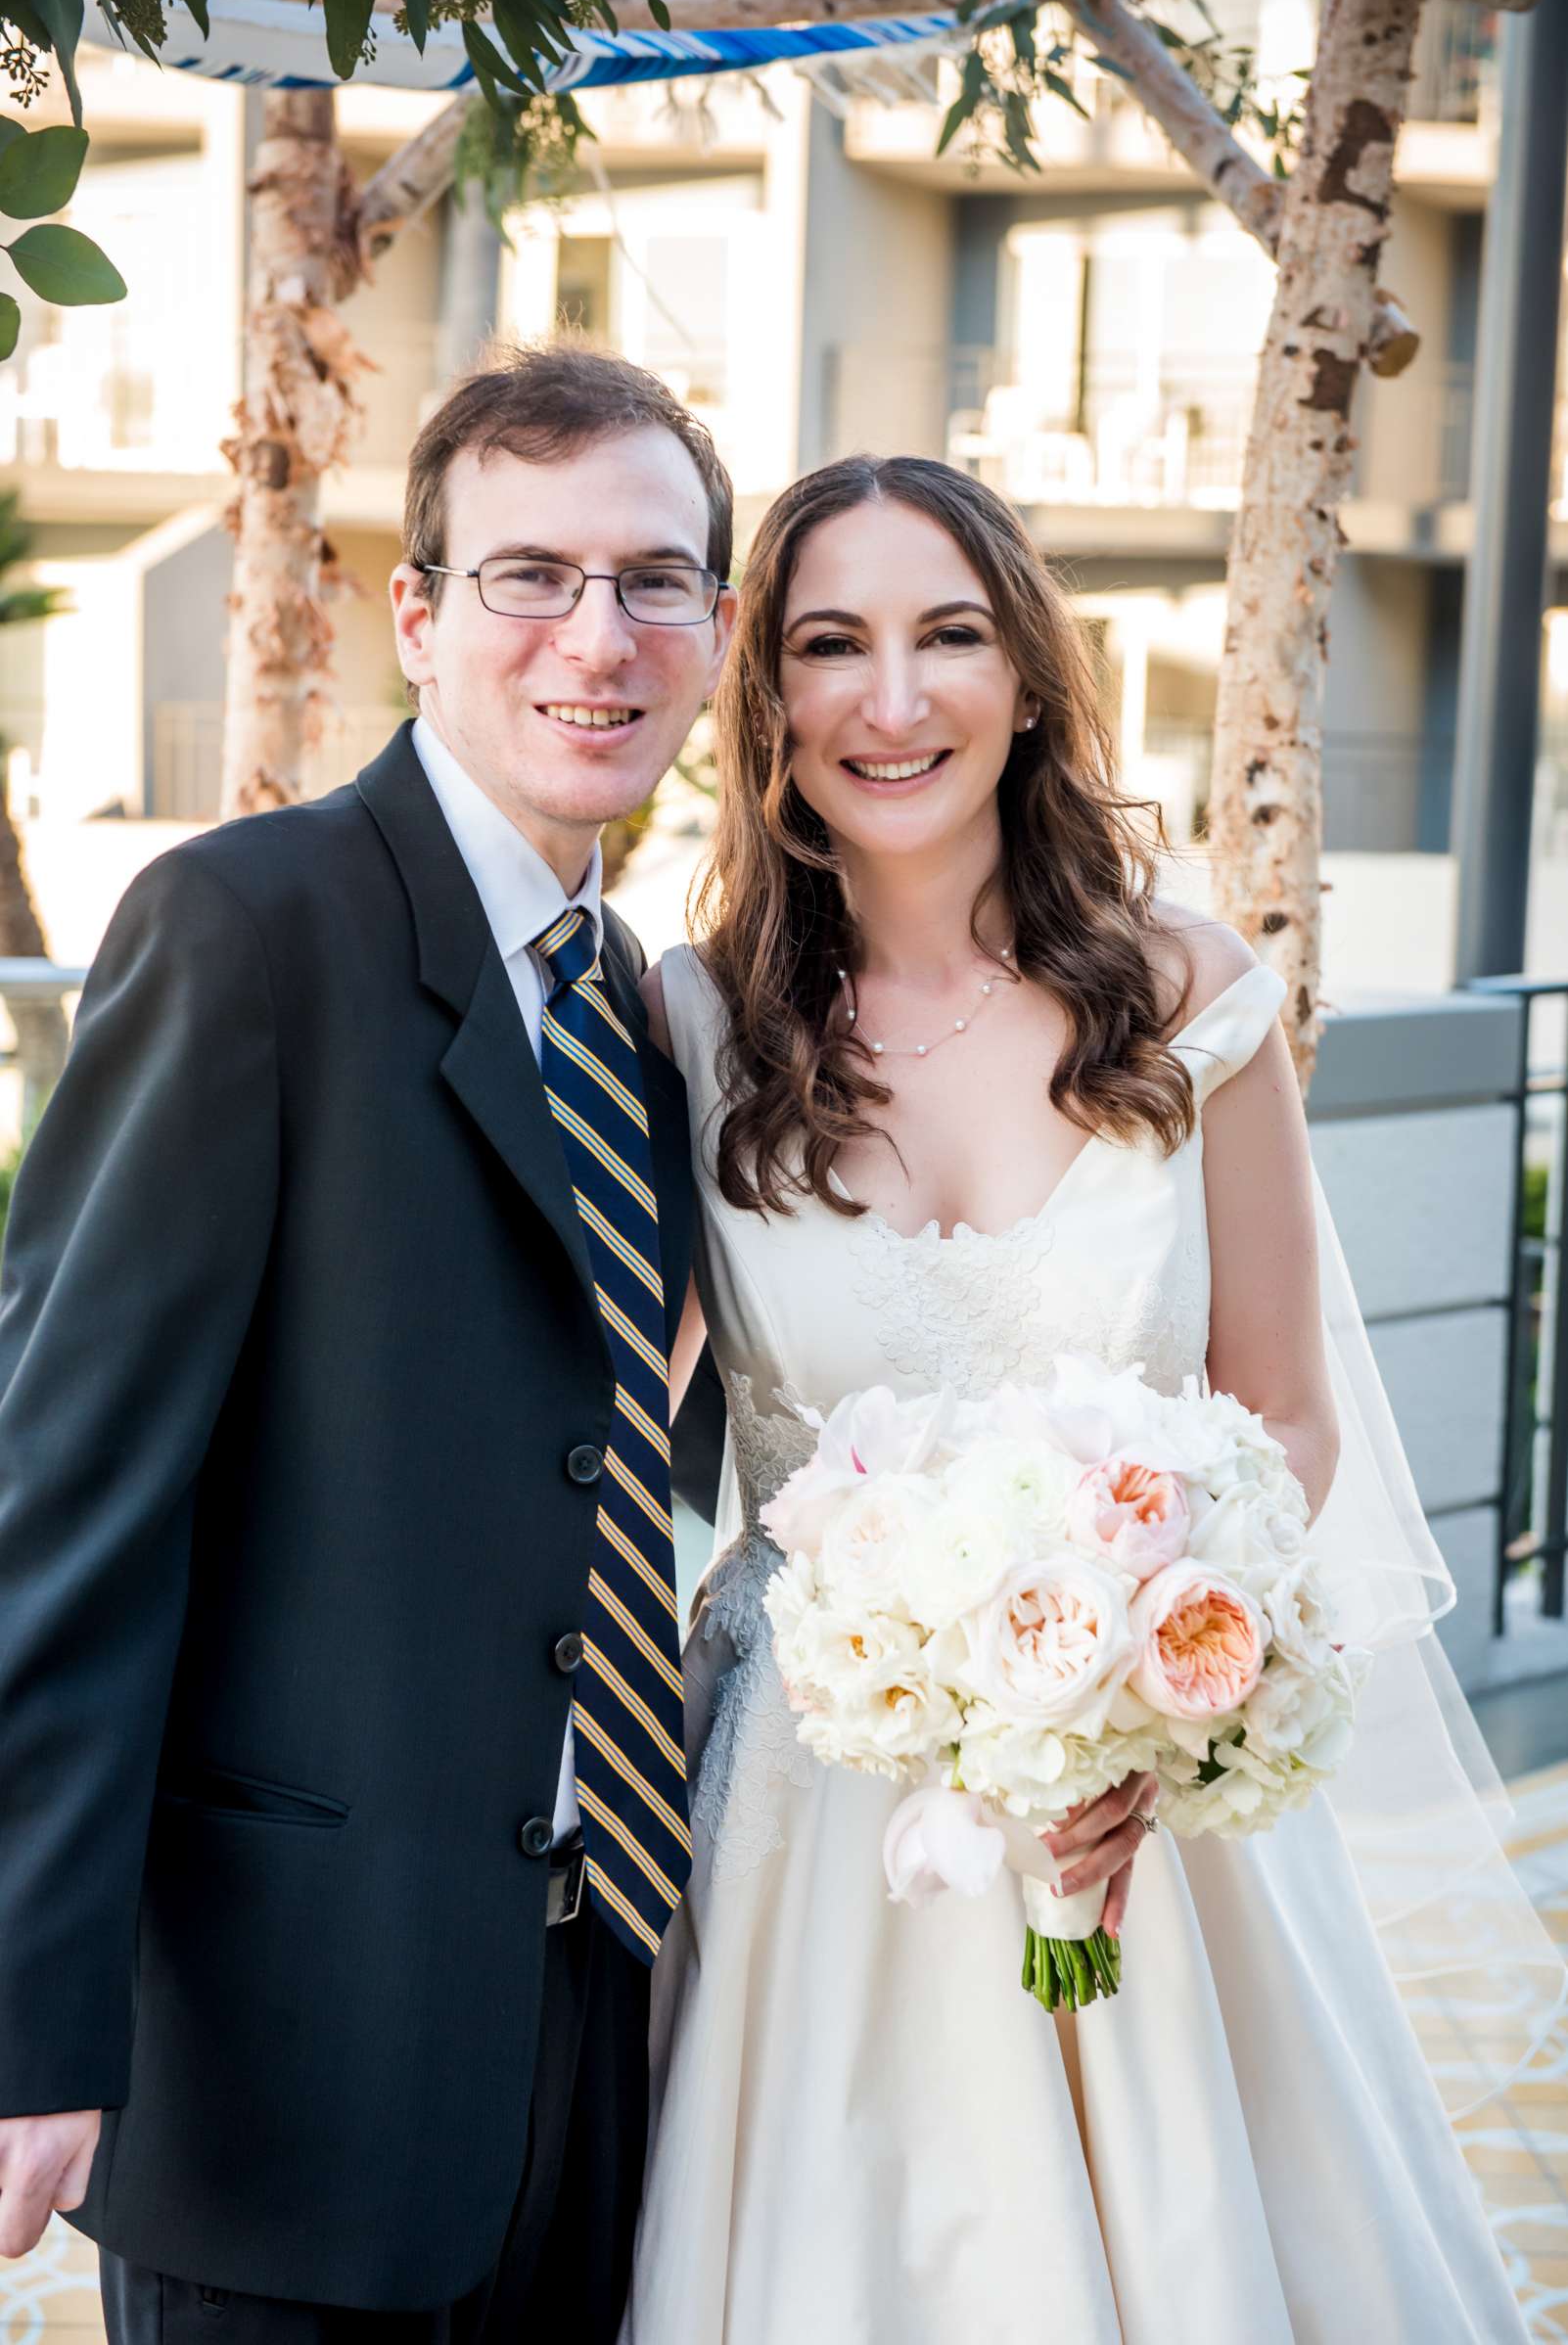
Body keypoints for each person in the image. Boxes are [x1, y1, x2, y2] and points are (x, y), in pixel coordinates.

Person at [623, 453, 1552, 2342]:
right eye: (831, 645)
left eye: (947, 635)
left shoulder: (1189, 994)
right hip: (822, 1824)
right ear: (765, 701)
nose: (894, 702)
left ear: (1029, 678)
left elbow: (1279, 1409)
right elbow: (618, 1417)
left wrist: (1146, 1682)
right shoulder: (692, 1024)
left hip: (1150, 1821)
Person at [0, 343, 733, 2343]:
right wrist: (26, 2023)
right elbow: (67, 1507)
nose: (597, 636)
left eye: (656, 579)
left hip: (592, 2019)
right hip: (289, 2057)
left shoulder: (651, 1015)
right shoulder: (247, 929)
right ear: (417, 616)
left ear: (716, 631)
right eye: (530, 576)